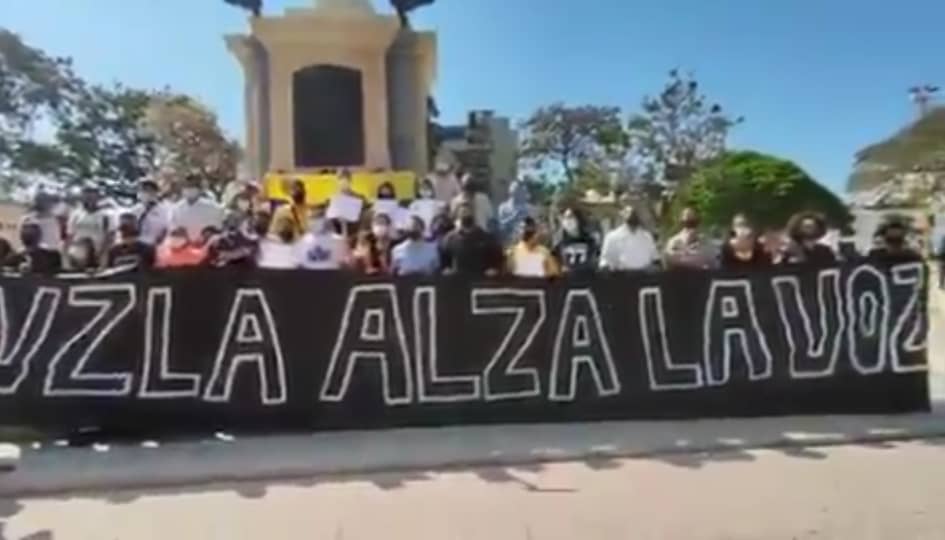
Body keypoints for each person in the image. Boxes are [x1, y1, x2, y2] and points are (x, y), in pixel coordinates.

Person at [440, 203, 504, 276]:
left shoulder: (486, 237)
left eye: (469, 211)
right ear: (458, 216)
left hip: (482, 282)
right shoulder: (449, 238)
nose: (466, 214)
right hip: (459, 282)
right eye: (463, 212)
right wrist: (446, 269)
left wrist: (494, 269)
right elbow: (444, 259)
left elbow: (498, 257)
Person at [599, 206, 659, 271]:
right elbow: (605, 260)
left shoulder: (647, 236)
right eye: (628, 213)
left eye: (634, 214)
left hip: (645, 277)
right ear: (622, 216)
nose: (632, 216)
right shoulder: (612, 237)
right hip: (622, 277)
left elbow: (655, 259)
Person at [169, 175, 224, 243]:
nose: (189, 189)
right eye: (187, 186)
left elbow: (218, 228)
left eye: (193, 186)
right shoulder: (176, 208)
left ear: (199, 189)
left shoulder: (212, 207)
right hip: (183, 247)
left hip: (207, 247)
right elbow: (173, 229)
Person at [297, 206, 350, 270]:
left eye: (316, 217)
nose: (314, 222)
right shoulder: (303, 242)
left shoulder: (302, 242)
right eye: (312, 217)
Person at [67, 186, 111, 259]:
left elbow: (108, 236)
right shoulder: (75, 213)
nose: (89, 198)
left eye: (92, 195)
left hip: (98, 252)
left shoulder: (105, 214)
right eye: (86, 195)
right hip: (77, 252)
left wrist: (101, 253)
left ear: (97, 197)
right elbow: (70, 235)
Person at [553, 206, 598, 273]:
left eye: (570, 217)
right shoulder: (559, 241)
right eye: (564, 218)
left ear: (578, 219)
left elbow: (593, 261)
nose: (567, 221)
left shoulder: (590, 240)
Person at [128, 179, 170, 246]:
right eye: (142, 190)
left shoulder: (165, 210)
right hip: (135, 246)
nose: (145, 192)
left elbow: (168, 230)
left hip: (155, 247)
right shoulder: (135, 210)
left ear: (155, 192)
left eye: (148, 190)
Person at [497, 180, 532, 246]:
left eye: (520, 190)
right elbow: (501, 226)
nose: (519, 192)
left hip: (525, 243)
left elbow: (532, 226)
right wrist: (513, 217)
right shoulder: (503, 207)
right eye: (517, 190)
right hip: (509, 242)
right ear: (511, 191)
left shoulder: (527, 208)